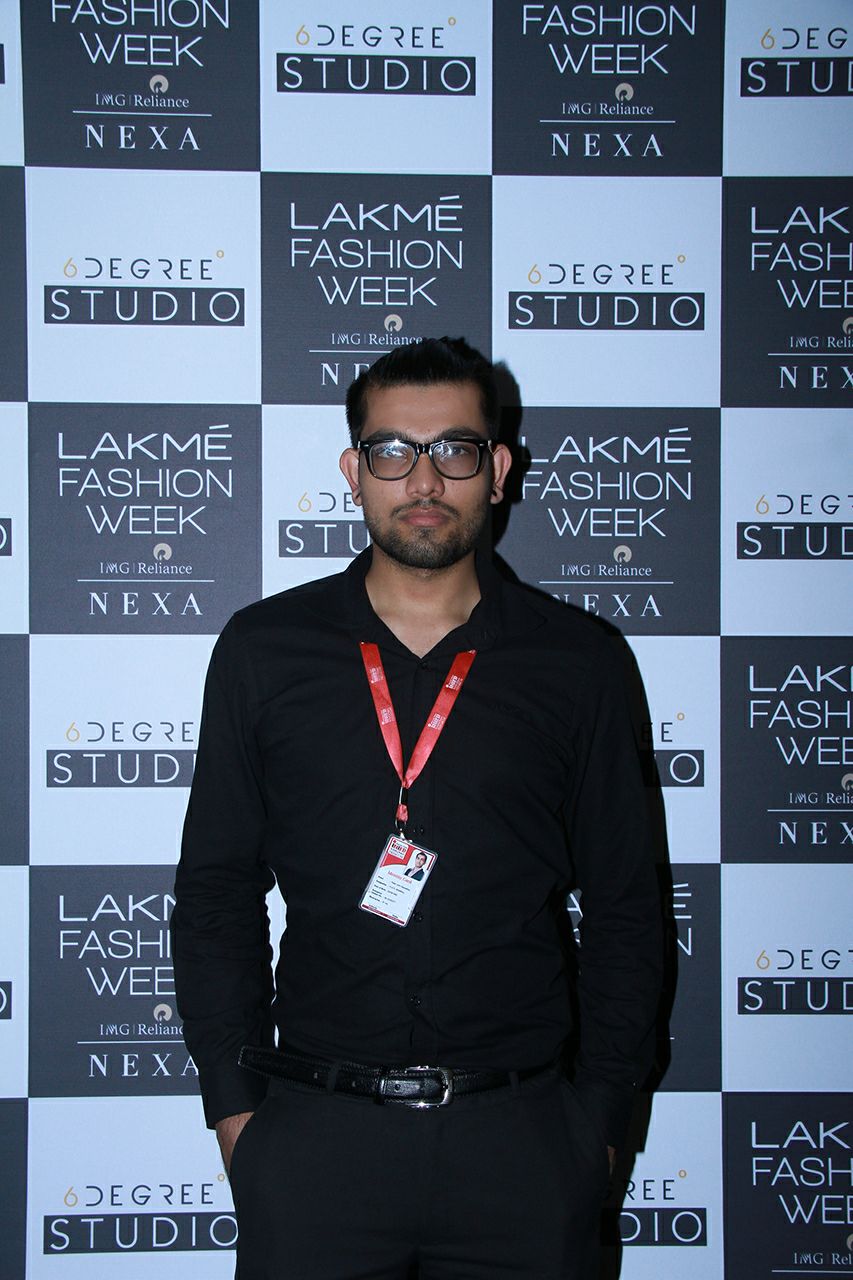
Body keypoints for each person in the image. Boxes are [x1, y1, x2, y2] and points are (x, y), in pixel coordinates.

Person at [172, 336, 662, 1280]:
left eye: (455, 450)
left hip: (523, 1147)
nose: (424, 479)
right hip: (314, 1144)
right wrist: (237, 1116)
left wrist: (596, 1127)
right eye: (393, 451)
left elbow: (625, 910)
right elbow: (215, 893)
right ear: (354, 472)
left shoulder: (580, 662)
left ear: (498, 470)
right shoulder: (263, 650)